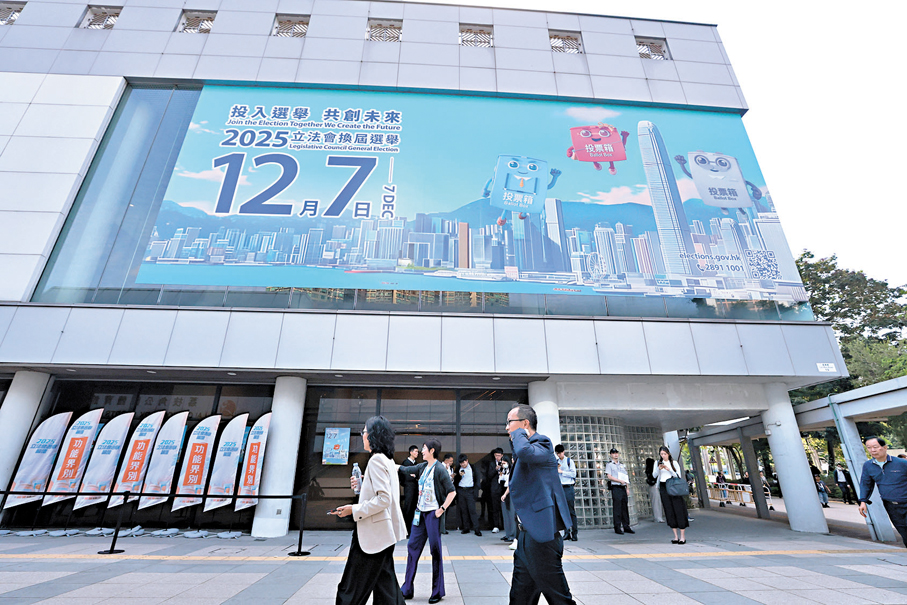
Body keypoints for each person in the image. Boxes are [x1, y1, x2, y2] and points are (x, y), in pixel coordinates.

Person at [330, 416, 408, 605]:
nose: (363, 435)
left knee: (350, 589)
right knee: (386, 589)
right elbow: (382, 494)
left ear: (373, 436)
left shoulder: (376, 461)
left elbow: (383, 499)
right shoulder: (387, 460)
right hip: (384, 535)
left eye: (364, 431)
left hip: (372, 538)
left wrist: (352, 509)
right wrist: (363, 485)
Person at [506, 404, 576, 605]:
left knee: (559, 599)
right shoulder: (524, 449)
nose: (507, 428)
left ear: (524, 423)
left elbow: (525, 451)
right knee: (520, 597)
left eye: (510, 423)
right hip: (526, 536)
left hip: (542, 538)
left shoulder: (542, 444)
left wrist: (519, 433)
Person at [398, 439, 457, 604]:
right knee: (412, 547)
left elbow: (452, 492)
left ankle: (437, 591)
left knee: (435, 550)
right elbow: (405, 469)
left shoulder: (440, 469)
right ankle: (407, 588)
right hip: (419, 513)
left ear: (431, 451)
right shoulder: (423, 467)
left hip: (432, 514)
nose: (421, 451)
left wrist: (442, 509)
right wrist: (388, 465)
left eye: (423, 449)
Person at [859, 436, 907, 546]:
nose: (872, 450)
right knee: (904, 533)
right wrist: (863, 501)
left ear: (884, 447)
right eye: (869, 448)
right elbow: (866, 484)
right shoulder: (868, 466)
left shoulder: (902, 463)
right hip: (891, 505)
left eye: (875, 447)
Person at [653, 445, 689, 545]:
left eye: (664, 454)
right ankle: (675, 536)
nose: (663, 456)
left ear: (668, 454)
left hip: (673, 486)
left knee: (678, 509)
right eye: (661, 454)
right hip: (664, 487)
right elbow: (654, 475)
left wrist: (669, 469)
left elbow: (678, 476)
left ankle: (682, 536)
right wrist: (659, 468)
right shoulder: (657, 463)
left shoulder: (674, 463)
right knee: (669, 510)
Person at [605, 448, 634, 535]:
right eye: (613, 453)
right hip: (616, 487)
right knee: (617, 507)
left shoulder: (621, 465)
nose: (615, 455)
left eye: (616, 453)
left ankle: (626, 526)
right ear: (611, 455)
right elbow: (609, 476)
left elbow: (626, 477)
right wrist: (619, 481)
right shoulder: (609, 465)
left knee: (624, 506)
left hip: (623, 487)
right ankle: (617, 526)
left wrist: (627, 488)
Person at [554, 444, 578, 541]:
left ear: (563, 452)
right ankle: (566, 532)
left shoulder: (569, 461)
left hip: (568, 487)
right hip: (560, 488)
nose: (559, 455)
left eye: (560, 453)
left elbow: (573, 474)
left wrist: (562, 472)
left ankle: (574, 533)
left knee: (571, 511)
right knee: (563, 511)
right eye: (557, 454)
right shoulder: (556, 462)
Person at [454, 454, 481, 536]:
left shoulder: (472, 468)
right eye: (461, 463)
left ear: (467, 461)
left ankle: (477, 528)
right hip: (461, 490)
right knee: (463, 510)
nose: (463, 464)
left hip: (470, 490)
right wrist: (458, 475)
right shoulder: (458, 468)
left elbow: (477, 479)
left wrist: (475, 491)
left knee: (472, 510)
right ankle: (466, 528)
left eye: (464, 462)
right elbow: (455, 480)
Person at [499, 453, 518, 550]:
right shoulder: (504, 471)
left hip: (510, 493)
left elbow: (510, 485)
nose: (503, 464)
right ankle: (508, 533)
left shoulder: (513, 470)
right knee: (506, 515)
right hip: (505, 493)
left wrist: (505, 494)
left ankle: (513, 534)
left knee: (512, 515)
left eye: (505, 462)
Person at [401, 445, 419, 533]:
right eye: (415, 451)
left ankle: (413, 529)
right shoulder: (406, 463)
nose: (417, 453)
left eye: (417, 452)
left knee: (414, 509)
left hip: (415, 489)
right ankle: (406, 530)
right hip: (409, 489)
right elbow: (404, 476)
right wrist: (413, 477)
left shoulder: (416, 464)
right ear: (411, 452)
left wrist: (415, 476)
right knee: (408, 508)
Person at [489, 448, 506, 533]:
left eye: (499, 455)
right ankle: (495, 525)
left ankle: (504, 525)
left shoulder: (505, 463)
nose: (497, 457)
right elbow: (489, 476)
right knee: (495, 507)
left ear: (502, 455)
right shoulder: (492, 464)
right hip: (495, 489)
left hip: (504, 489)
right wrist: (496, 469)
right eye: (496, 455)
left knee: (505, 507)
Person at [645, 458, 665, 523]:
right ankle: (658, 517)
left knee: (655, 502)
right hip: (654, 485)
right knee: (657, 502)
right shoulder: (653, 470)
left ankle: (657, 516)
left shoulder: (648, 470)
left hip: (652, 486)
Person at [440, 454, 455, 534]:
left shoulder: (450, 468)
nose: (452, 462)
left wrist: (452, 477)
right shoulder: (440, 467)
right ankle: (441, 528)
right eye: (451, 461)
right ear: (446, 460)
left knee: (446, 509)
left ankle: (443, 527)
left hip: (448, 491)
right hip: (442, 491)